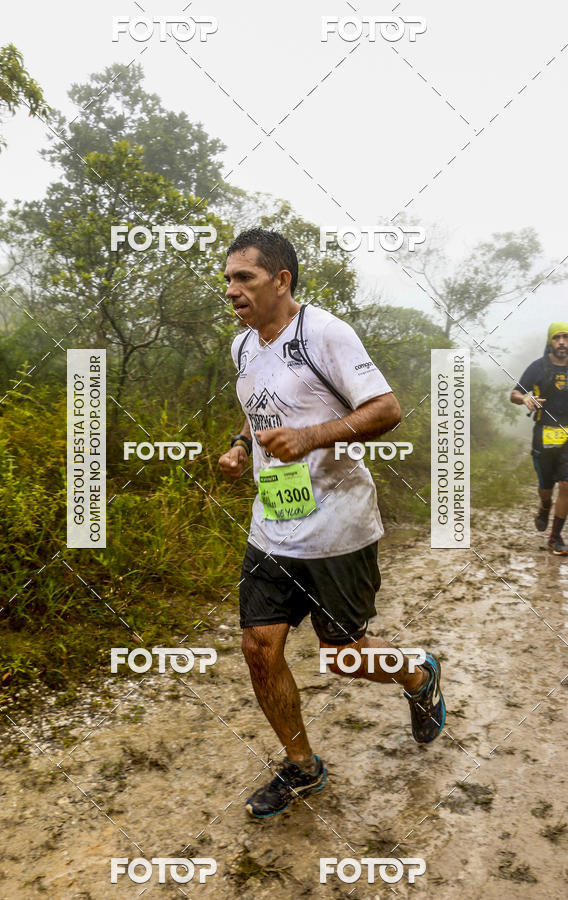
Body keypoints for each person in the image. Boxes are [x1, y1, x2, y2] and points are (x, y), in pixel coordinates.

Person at [218, 228, 446, 819]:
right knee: (258, 647)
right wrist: (241, 446)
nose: (231, 290)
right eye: (228, 279)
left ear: (281, 280)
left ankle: (417, 674)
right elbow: (257, 410)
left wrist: (311, 437)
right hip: (273, 523)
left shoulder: (324, 333)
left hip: (338, 526)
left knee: (343, 655)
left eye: (244, 277)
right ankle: (301, 767)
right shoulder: (243, 346)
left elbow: (386, 409)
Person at [511, 323, 568, 555]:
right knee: (546, 488)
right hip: (543, 434)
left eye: (566, 337)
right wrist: (525, 399)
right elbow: (514, 393)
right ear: (550, 341)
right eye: (557, 338)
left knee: (566, 484)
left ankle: (555, 537)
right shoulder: (538, 367)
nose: (562, 342)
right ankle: (545, 506)